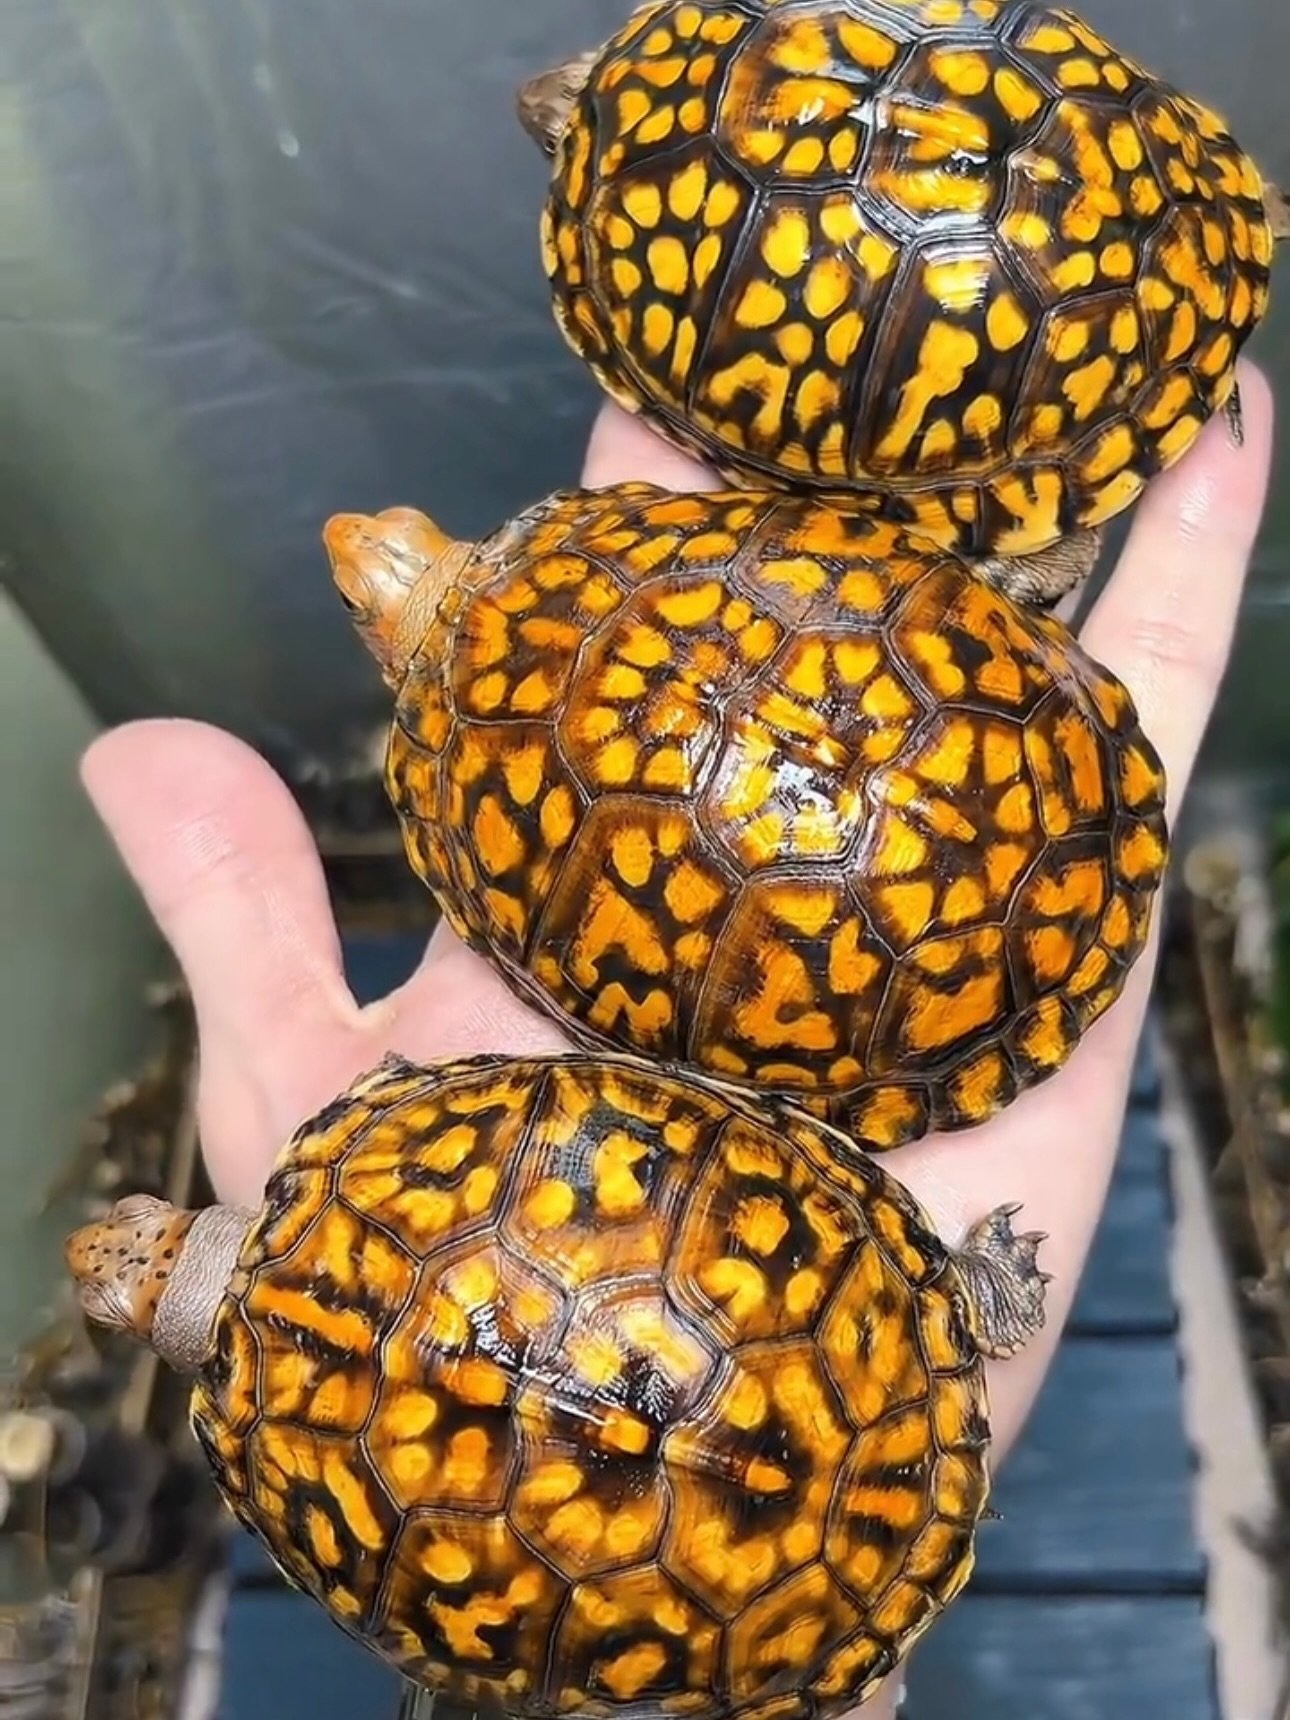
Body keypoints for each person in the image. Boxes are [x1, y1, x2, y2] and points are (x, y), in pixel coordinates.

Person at [79, 371, 1273, 1717]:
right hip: (1012, 848)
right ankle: (951, 1291)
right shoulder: (363, 1179)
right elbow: (594, 1119)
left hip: (769, 1592)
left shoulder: (285, 1427)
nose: (360, 548)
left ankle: (956, 1293)